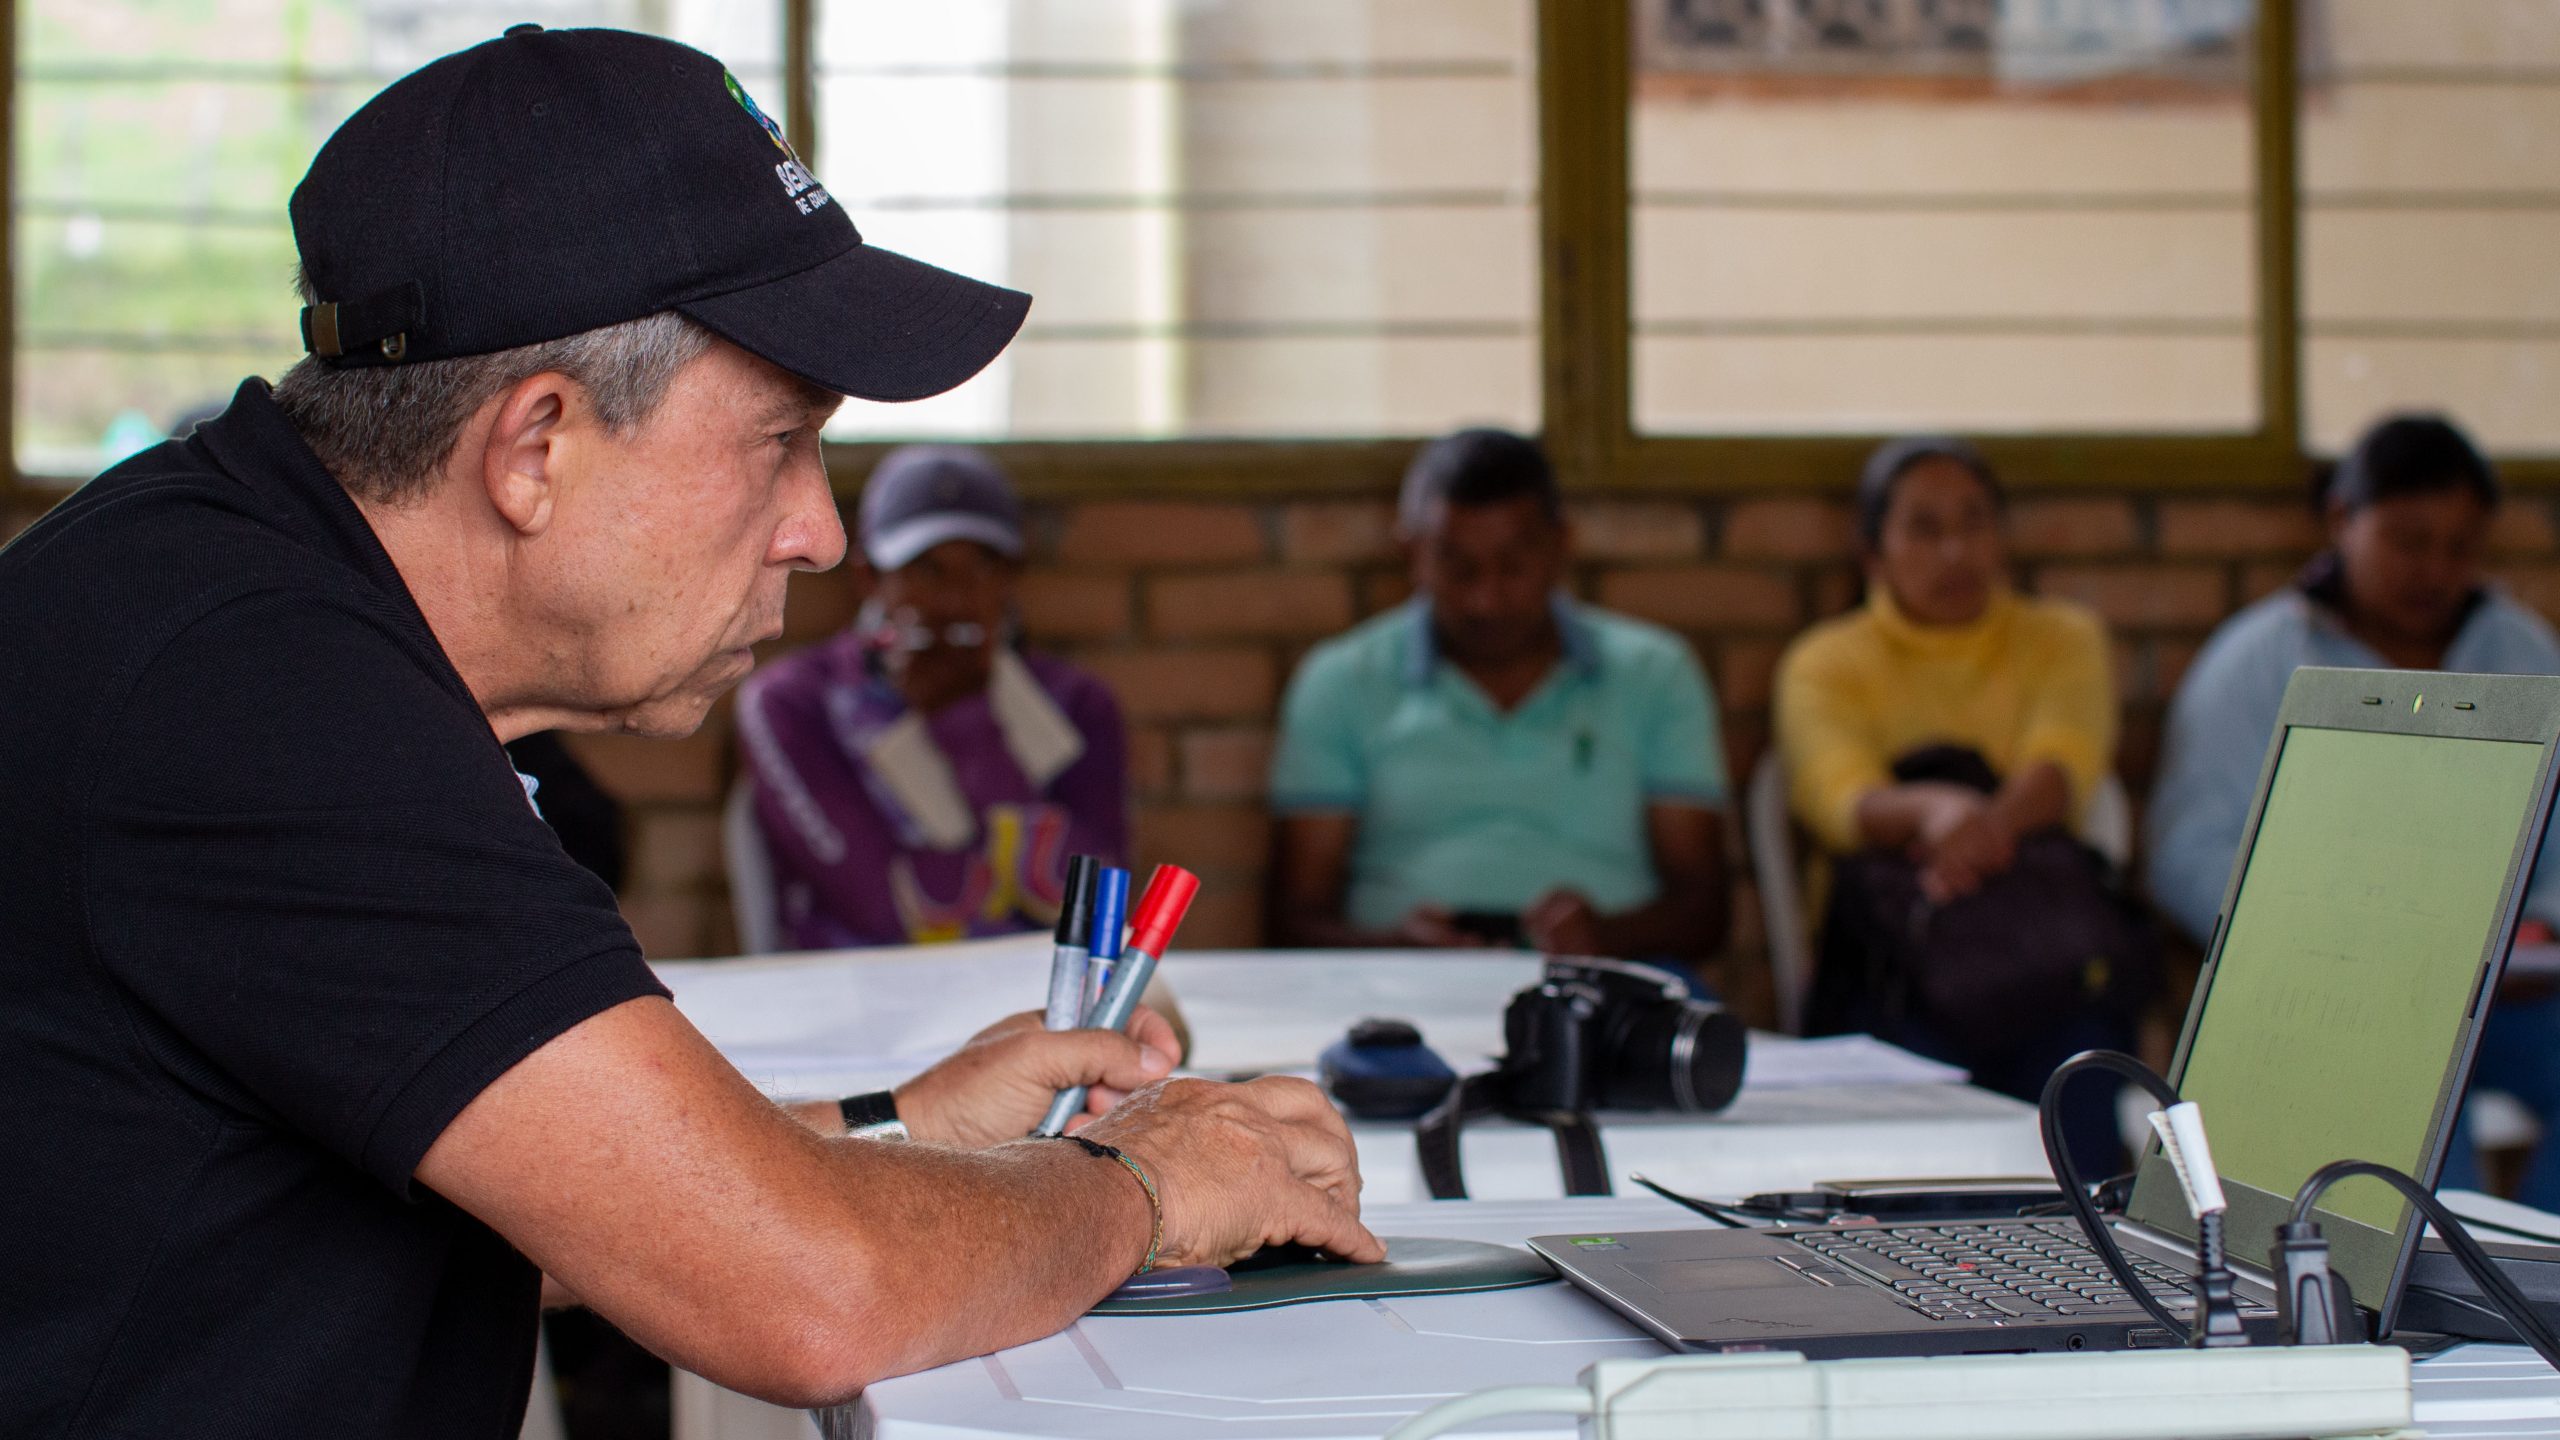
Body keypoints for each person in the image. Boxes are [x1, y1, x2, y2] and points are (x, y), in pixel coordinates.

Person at [0, 29, 1377, 1438]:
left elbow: (550, 1208)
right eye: (780, 441)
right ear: (536, 446)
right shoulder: (257, 702)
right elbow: (804, 1295)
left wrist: (904, 1132)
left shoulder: (244, 597)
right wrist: (1145, 1185)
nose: (823, 532)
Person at [2149, 413, 2560, 1207]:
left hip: (2503, 990)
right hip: (2339, 997)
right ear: (2343, 520)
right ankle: (2452, 1301)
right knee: (2416, 1115)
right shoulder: (2260, 659)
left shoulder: (2521, 653)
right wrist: (2323, 944)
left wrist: (2539, 921)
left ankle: (2539, 1285)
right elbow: (2187, 853)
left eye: (2461, 546)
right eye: (2409, 540)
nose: (2436, 569)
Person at [1774, 437, 2152, 1170]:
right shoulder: (1825, 662)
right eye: (1924, 528)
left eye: (1974, 523)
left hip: (2043, 960)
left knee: (2079, 1096)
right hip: (1895, 971)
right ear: (1872, 553)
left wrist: (1975, 830)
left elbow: (2065, 764)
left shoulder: (2062, 639)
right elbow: (1838, 799)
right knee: (1907, 1152)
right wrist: (1930, 813)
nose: (1955, 550)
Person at [1266, 427, 1731, 969]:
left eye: (1513, 566)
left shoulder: (1656, 675)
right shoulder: (1341, 681)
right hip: (1396, 1001)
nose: (1485, 599)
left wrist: (1605, 937)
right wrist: (1396, 951)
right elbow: (1292, 920)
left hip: (1610, 989)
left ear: (1561, 545)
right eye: (1456, 566)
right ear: (1410, 551)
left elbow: (1706, 912)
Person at [738, 445, 1126, 949]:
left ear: (1013, 578)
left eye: (983, 567)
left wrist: (966, 724)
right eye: (926, 570)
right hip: (862, 1004)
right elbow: (879, 909)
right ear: (870, 578)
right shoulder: (793, 704)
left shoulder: (1076, 705)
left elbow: (1096, 910)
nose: (956, 600)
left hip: (1031, 997)